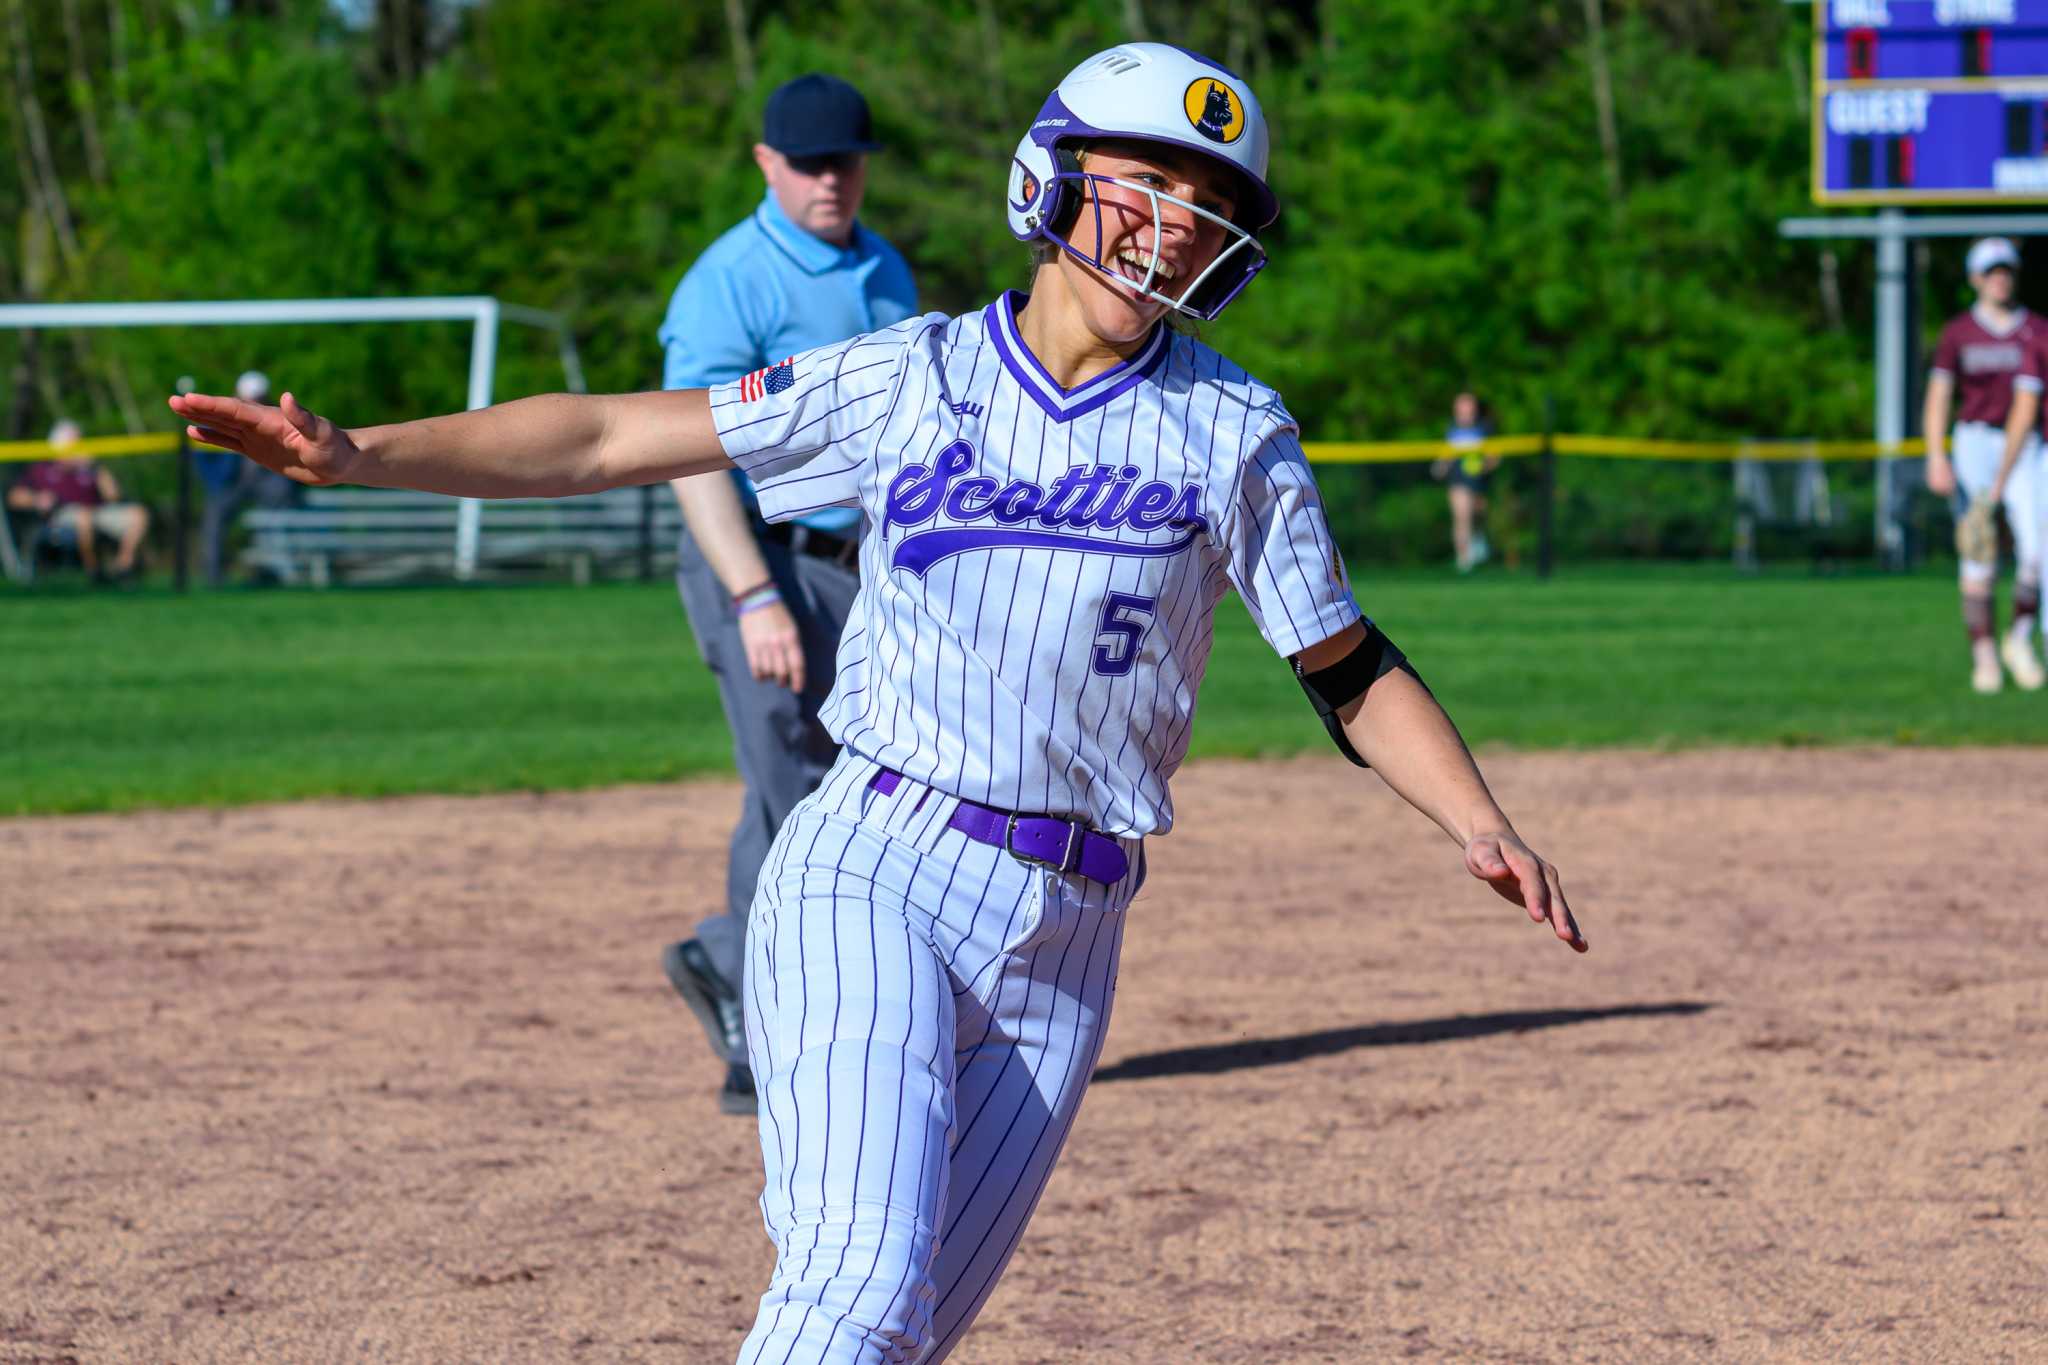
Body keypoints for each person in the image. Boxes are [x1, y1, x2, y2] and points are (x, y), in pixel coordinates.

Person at [172, 42, 1586, 1364]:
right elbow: (614, 432)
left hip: (1074, 938)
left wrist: (1480, 818)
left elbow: (1343, 663)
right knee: (854, 1289)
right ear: (1053, 178)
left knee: (891, 1330)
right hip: (879, 867)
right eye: (1144, 181)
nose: (1168, 223)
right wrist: (360, 452)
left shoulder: (1237, 432)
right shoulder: (911, 374)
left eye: (1204, 202)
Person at [657, 74, 917, 1118]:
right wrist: (754, 595)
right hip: (754, 560)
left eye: (846, 160)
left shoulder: (884, 268)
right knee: (792, 783)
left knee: (862, 780)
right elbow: (690, 454)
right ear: (765, 163)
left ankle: (728, 961)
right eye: (809, 162)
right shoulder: (732, 280)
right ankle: (766, 1035)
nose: (831, 178)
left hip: (852, 568)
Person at [1924, 236, 2048, 694]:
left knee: (2036, 553)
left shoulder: (2036, 329)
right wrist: (1937, 454)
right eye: (1991, 271)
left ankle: (2018, 639)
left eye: (2006, 270)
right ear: (1975, 278)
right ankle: (1985, 656)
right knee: (1979, 553)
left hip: (2027, 446)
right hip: (1975, 443)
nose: (2000, 278)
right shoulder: (1959, 332)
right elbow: (1939, 395)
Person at [6, 419, 150, 580]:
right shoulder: (42, 468)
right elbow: (14, 497)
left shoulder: (91, 468)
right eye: (73, 443)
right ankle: (94, 571)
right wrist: (36, 499)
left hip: (98, 512)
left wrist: (96, 467)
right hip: (62, 516)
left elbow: (113, 495)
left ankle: (123, 565)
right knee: (84, 516)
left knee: (139, 513)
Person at [194, 370, 300, 586]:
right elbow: (202, 457)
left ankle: (273, 571)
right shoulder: (219, 417)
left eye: (259, 399)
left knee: (280, 507)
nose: (255, 403)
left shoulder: (279, 416)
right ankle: (214, 576)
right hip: (231, 483)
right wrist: (215, 482)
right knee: (215, 516)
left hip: (265, 478)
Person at [1430, 390, 1496, 573]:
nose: (1466, 409)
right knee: (1461, 516)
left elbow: (1494, 457)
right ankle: (1463, 558)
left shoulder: (1484, 428)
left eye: (1469, 405)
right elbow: (1446, 455)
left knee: (1477, 514)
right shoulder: (1451, 429)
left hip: (1478, 480)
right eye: (1462, 405)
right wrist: (1440, 466)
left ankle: (1477, 543)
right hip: (1457, 480)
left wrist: (1484, 467)